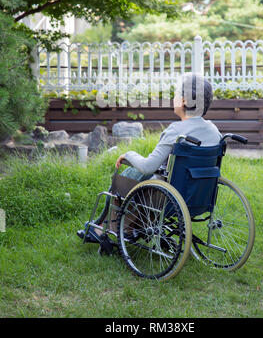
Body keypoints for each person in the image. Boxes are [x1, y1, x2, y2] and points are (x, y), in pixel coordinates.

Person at [77, 73, 222, 242]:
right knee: (145, 176)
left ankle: (108, 229)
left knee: (129, 176)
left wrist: (128, 155)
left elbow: (147, 167)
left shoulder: (176, 131)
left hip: (168, 199)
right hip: (199, 198)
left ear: (183, 101)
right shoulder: (215, 131)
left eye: (175, 94)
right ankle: (128, 226)